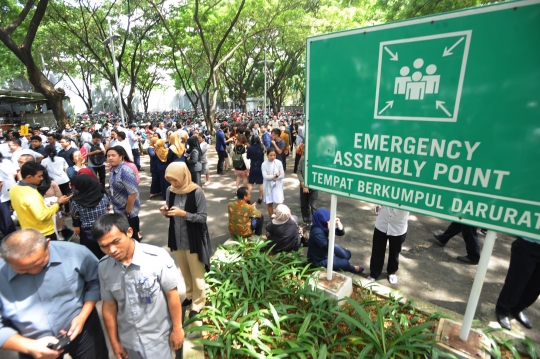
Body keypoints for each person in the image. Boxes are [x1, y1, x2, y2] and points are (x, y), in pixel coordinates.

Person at [0, 229, 109, 358]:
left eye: (40, 262)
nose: (34, 270)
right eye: (23, 269)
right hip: (31, 343)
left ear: (48, 244)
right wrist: (28, 346)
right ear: (3, 258)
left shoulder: (75, 253)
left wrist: (83, 315)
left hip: (83, 329)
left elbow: (95, 281)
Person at [92, 214, 184, 358]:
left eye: (116, 241)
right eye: (104, 246)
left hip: (159, 340)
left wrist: (178, 328)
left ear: (129, 232)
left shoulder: (157, 257)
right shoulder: (104, 267)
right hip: (129, 343)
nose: (112, 250)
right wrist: (115, 343)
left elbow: (172, 294)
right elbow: (109, 306)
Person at [160, 162, 212, 319]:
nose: (173, 184)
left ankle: (198, 302)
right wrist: (165, 211)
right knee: (184, 270)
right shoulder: (171, 190)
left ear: (184, 175)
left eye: (175, 180)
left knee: (197, 272)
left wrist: (184, 214)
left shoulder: (196, 192)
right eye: (170, 180)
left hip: (193, 238)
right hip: (177, 237)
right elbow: (170, 209)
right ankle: (189, 295)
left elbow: (202, 217)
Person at [9, 162, 72, 240]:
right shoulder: (32, 194)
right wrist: (59, 203)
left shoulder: (13, 188)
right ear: (29, 177)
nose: (42, 178)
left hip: (27, 231)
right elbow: (42, 215)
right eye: (39, 176)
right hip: (43, 233)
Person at [495, 237, 539, 330]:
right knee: (517, 281)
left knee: (536, 286)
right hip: (529, 243)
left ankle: (518, 308)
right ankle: (503, 310)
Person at [307, 208, 364, 274]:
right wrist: (331, 231)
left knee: (347, 254)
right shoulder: (317, 231)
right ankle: (352, 268)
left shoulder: (325, 225)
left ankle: (337, 260)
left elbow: (341, 233)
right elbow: (328, 246)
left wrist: (339, 224)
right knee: (346, 263)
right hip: (319, 259)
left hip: (327, 251)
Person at [367, 206, 409, 284]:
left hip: (399, 226)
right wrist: (377, 204)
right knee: (377, 250)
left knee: (395, 252)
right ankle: (374, 273)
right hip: (382, 223)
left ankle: (392, 272)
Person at [107, 146, 142, 241]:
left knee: (131, 238)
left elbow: (133, 194)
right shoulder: (114, 169)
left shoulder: (125, 171)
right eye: (108, 156)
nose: (110, 158)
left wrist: (127, 212)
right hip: (118, 210)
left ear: (121, 157)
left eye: (113, 155)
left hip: (128, 213)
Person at [71, 175, 109, 259]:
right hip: (104, 228)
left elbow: (74, 215)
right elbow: (107, 206)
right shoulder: (103, 196)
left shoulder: (76, 202)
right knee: (106, 254)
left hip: (88, 234)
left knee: (91, 257)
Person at [261, 149, 284, 217]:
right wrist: (276, 175)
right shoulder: (264, 164)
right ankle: (272, 219)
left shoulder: (279, 162)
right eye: (270, 155)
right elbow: (265, 176)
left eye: (274, 155)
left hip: (277, 185)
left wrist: (271, 177)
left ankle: (280, 218)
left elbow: (282, 175)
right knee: (270, 203)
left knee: (280, 203)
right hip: (268, 186)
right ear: (267, 155)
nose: (272, 157)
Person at [297, 153, 318, 224]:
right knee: (304, 204)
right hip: (303, 185)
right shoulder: (302, 159)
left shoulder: (317, 158)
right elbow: (299, 171)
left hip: (313, 186)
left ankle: (315, 222)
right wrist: (303, 183)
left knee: (313, 206)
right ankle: (306, 221)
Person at [0, 153, 17, 236]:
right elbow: (14, 173)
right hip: (10, 190)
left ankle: (10, 236)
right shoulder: (6, 161)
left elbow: (0, 182)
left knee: (5, 217)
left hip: (2, 195)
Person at [247, 136, 265, 205]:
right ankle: (260, 198)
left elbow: (248, 157)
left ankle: (248, 198)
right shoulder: (262, 147)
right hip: (260, 166)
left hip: (253, 166)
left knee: (250, 183)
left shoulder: (250, 148)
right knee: (261, 183)